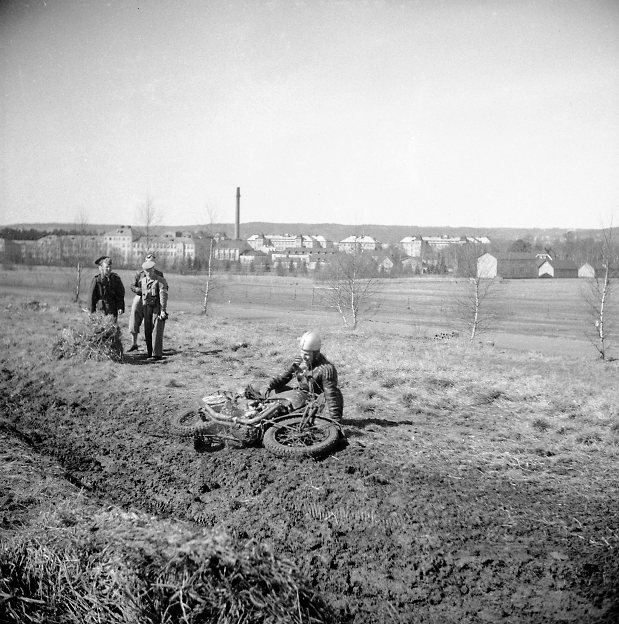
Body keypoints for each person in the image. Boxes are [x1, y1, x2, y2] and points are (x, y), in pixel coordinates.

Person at [263, 331, 344, 421]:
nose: (303, 357)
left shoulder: (326, 369)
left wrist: (335, 421)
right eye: (302, 353)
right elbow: (282, 379)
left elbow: (331, 396)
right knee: (273, 391)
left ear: (316, 354)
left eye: (307, 354)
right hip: (300, 395)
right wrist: (268, 386)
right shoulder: (300, 362)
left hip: (314, 404)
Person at [127, 253, 167, 351]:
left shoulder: (159, 274)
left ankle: (152, 347)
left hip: (153, 299)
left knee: (153, 322)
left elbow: (164, 287)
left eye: (152, 262)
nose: (150, 264)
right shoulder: (139, 273)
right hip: (140, 297)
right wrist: (141, 291)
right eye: (148, 261)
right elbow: (132, 286)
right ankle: (134, 343)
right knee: (134, 316)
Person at [140, 259, 169, 360]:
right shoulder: (143, 281)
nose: (149, 272)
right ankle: (149, 353)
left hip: (157, 308)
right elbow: (143, 295)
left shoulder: (160, 281)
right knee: (147, 330)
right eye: (147, 271)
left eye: (151, 270)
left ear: (153, 269)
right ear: (144, 271)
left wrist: (163, 310)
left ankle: (156, 354)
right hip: (146, 308)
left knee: (156, 331)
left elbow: (163, 296)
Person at [88, 256, 125, 320]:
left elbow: (120, 295)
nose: (109, 269)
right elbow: (91, 298)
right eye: (107, 267)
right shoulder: (97, 280)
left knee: (112, 326)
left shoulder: (116, 279)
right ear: (101, 268)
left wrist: (120, 307)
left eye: (110, 267)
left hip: (112, 311)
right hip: (100, 311)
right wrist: (92, 313)